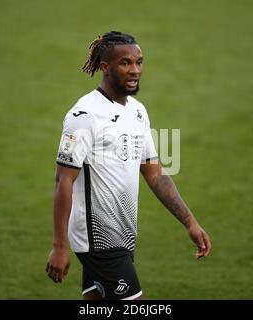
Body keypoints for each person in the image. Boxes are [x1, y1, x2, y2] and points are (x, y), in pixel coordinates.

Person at [46, 31, 211, 300]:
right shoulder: (84, 115)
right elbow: (63, 180)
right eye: (125, 63)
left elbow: (155, 175)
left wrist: (190, 222)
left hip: (123, 235)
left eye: (139, 62)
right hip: (99, 238)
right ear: (105, 67)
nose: (135, 70)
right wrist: (59, 246)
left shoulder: (137, 111)